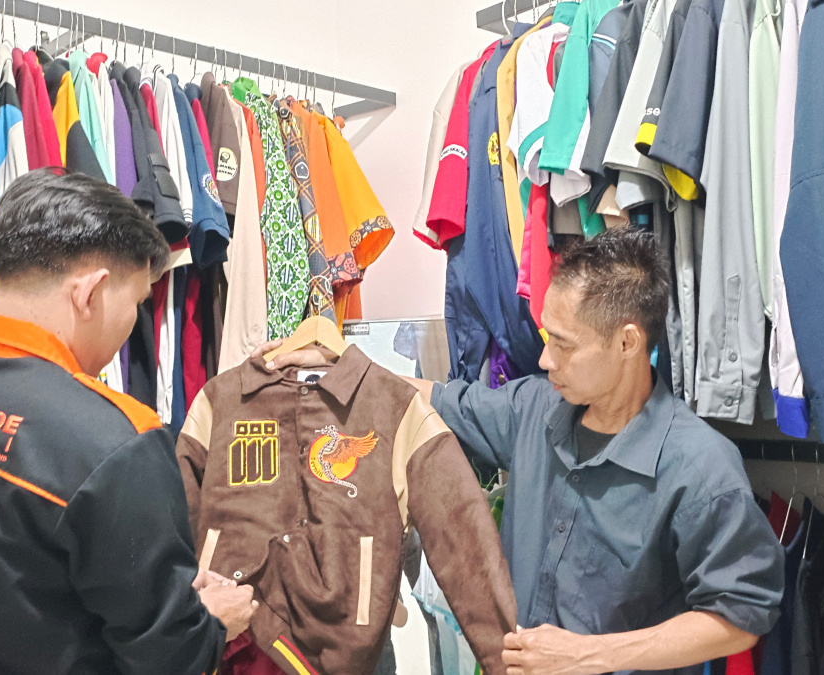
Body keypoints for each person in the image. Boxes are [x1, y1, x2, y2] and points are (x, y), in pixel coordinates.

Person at [258, 228, 785, 675]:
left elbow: (742, 615)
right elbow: (433, 398)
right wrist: (335, 365)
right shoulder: (534, 406)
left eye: (564, 344)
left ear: (628, 343)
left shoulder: (700, 470)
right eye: (546, 337)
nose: (546, 359)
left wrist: (593, 656)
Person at [0, 169, 255, 674]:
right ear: (91, 293)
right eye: (138, 303)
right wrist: (209, 621)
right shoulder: (115, 443)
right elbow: (168, 658)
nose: (133, 324)